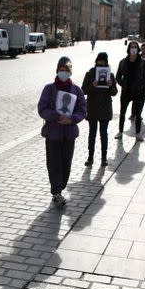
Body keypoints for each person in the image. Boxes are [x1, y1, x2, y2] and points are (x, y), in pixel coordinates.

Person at [38, 56, 87, 207]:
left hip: (69, 134)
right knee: (54, 164)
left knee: (66, 164)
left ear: (71, 72)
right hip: (53, 134)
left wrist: (71, 119)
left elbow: (83, 110)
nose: (64, 72)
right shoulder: (49, 89)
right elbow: (42, 109)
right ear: (57, 70)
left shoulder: (76, 90)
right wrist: (56, 116)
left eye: (66, 70)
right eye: (61, 70)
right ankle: (56, 192)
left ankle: (61, 187)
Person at [82, 52, 118, 167]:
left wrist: (111, 85)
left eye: (103, 61)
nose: (101, 63)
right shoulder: (91, 73)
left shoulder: (110, 74)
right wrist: (93, 85)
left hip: (105, 108)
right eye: (99, 60)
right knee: (92, 134)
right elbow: (84, 90)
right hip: (92, 108)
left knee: (104, 134)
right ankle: (90, 157)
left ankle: (104, 158)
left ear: (106, 62)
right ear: (96, 61)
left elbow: (114, 92)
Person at [116, 40, 145, 141]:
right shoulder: (123, 62)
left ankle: (138, 133)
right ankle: (120, 131)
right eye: (132, 47)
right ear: (129, 49)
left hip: (137, 92)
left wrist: (140, 86)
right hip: (126, 91)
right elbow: (118, 76)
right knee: (122, 112)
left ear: (138, 49)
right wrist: (123, 84)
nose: (134, 49)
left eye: (135, 47)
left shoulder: (142, 62)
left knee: (138, 114)